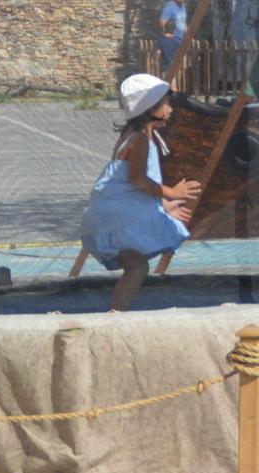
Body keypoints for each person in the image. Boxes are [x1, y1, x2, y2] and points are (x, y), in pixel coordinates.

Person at [80, 74, 203, 312]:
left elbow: (127, 190)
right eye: (165, 104)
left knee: (136, 266)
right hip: (113, 220)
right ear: (149, 108)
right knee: (137, 267)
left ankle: (117, 312)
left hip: (110, 216)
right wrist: (171, 193)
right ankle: (116, 314)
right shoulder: (139, 141)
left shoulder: (135, 137)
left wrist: (164, 208)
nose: (170, 109)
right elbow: (137, 180)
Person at [158, 0, 191, 69]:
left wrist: (188, 34)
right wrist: (166, 34)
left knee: (182, 67)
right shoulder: (170, 7)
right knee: (172, 67)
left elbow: (183, 21)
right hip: (173, 40)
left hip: (181, 39)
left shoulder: (182, 6)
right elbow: (162, 21)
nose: (185, 0)